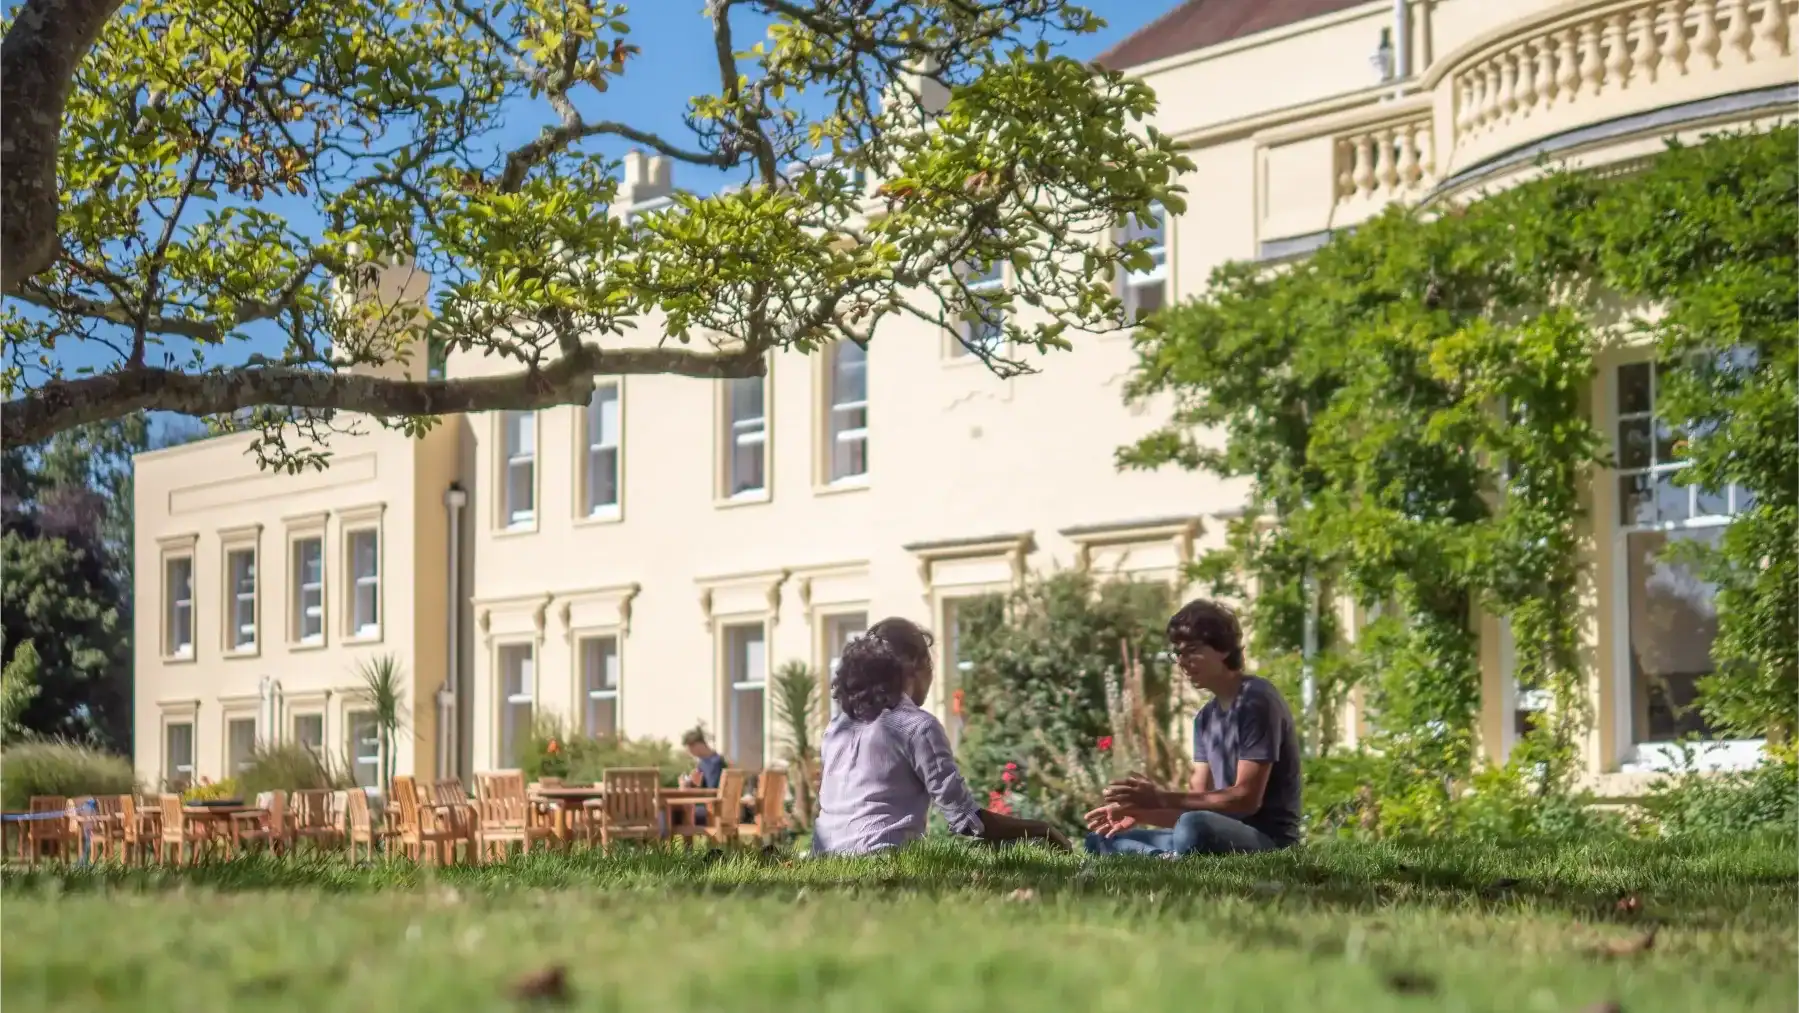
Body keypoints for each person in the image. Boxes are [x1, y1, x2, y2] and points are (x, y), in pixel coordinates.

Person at [812, 617, 1071, 856]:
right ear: (917, 666)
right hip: (882, 862)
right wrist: (1041, 830)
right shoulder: (917, 726)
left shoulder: (835, 729)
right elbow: (967, 821)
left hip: (823, 864)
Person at [1084, 598, 1302, 857]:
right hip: (1212, 832)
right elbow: (1198, 802)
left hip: (1266, 841)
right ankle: (1165, 861)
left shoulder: (1256, 700)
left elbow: (1245, 798)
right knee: (1099, 840)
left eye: (1192, 650)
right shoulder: (1205, 718)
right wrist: (1138, 813)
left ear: (1222, 649)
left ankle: (1165, 859)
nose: (1182, 661)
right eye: (1178, 653)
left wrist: (1160, 797)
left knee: (1193, 826)